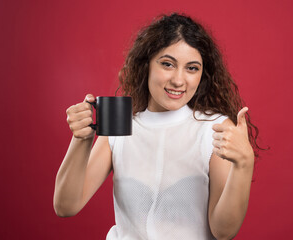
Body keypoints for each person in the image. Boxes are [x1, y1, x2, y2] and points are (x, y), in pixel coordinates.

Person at [53, 13, 262, 240]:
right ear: (147, 65)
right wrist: (81, 138)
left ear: (202, 74)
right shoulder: (122, 125)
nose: (179, 80)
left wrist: (244, 164)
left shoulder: (214, 128)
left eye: (192, 68)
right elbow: (66, 206)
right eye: (167, 64)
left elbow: (224, 232)